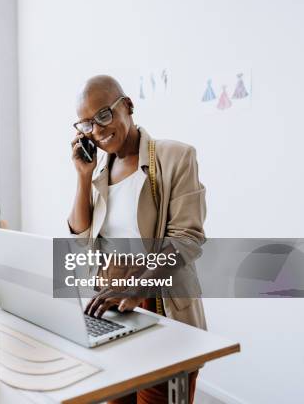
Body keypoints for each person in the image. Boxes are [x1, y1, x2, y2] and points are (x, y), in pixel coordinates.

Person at [68, 75, 207, 404]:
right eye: (87, 124)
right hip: (112, 308)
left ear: (128, 106)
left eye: (104, 114)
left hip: (161, 305)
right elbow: (81, 237)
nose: (98, 130)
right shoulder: (99, 173)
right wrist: (83, 176)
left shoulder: (175, 157)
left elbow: (187, 238)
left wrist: (137, 286)